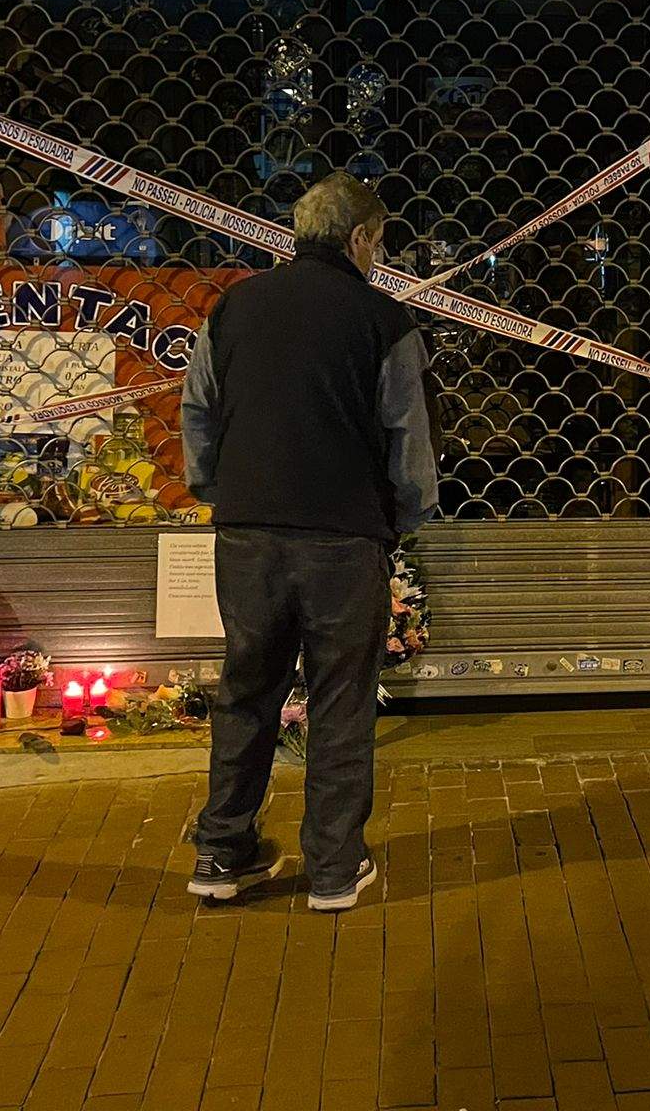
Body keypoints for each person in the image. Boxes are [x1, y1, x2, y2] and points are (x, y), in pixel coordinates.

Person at [180, 172, 439, 911]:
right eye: (380, 241)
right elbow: (408, 439)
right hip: (342, 537)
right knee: (340, 699)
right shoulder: (384, 320)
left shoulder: (235, 308)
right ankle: (332, 867)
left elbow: (198, 410)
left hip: (248, 533)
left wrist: (218, 490)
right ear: (360, 237)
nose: (379, 255)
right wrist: (403, 518)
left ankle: (222, 852)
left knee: (246, 690)